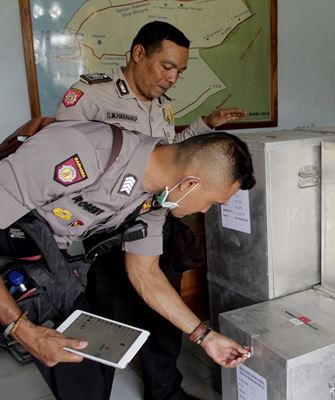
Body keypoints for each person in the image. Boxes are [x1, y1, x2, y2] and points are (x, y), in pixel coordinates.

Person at [55, 21, 247, 400]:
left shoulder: (161, 106)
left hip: (152, 219)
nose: (173, 78)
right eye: (167, 66)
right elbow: (62, 164)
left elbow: (171, 155)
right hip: (104, 234)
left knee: (164, 314)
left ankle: (165, 392)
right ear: (139, 53)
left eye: (180, 70)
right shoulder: (92, 95)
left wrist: (204, 126)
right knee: (104, 324)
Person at [0, 120, 255, 400]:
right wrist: (22, 330)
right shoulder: (82, 150)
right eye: (213, 203)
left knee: (86, 373)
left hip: (49, 267)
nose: (205, 210)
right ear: (190, 184)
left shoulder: (156, 200)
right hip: (11, 253)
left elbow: (145, 274)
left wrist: (206, 337)